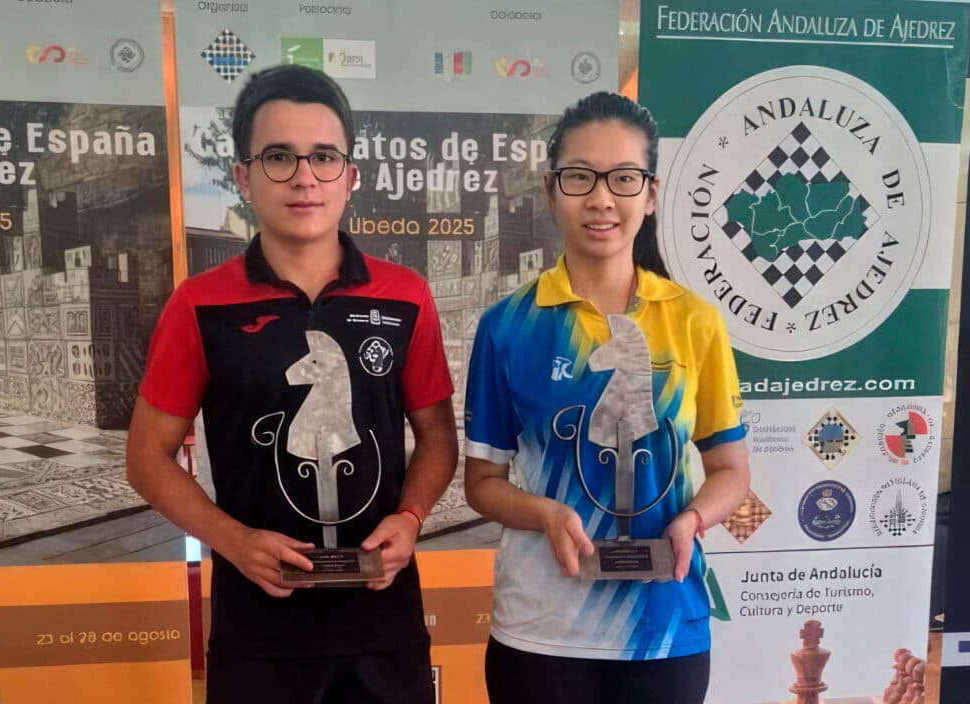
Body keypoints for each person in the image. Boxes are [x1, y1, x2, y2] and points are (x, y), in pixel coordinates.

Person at [127, 64, 458, 703]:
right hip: (259, 634)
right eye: (279, 157)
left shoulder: (406, 296)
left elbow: (438, 440)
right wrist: (233, 541)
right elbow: (146, 457)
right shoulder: (199, 305)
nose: (305, 177)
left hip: (384, 626)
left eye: (324, 157)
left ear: (351, 176)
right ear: (243, 177)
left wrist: (412, 518)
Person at [463, 92, 750, 704]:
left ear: (650, 194)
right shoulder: (507, 325)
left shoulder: (694, 322)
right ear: (550, 192)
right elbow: (483, 483)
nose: (600, 198)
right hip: (539, 631)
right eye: (579, 177)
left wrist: (693, 519)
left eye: (623, 178)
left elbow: (730, 470)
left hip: (664, 627)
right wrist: (546, 514)